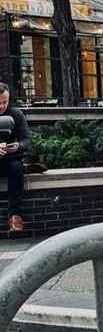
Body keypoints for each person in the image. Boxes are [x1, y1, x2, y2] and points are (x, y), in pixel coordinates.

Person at [0, 84, 32, 231]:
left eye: (4, 102)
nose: (2, 106)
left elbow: (27, 142)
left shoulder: (16, 114)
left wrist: (17, 146)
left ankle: (14, 215)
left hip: (10, 160)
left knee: (16, 167)